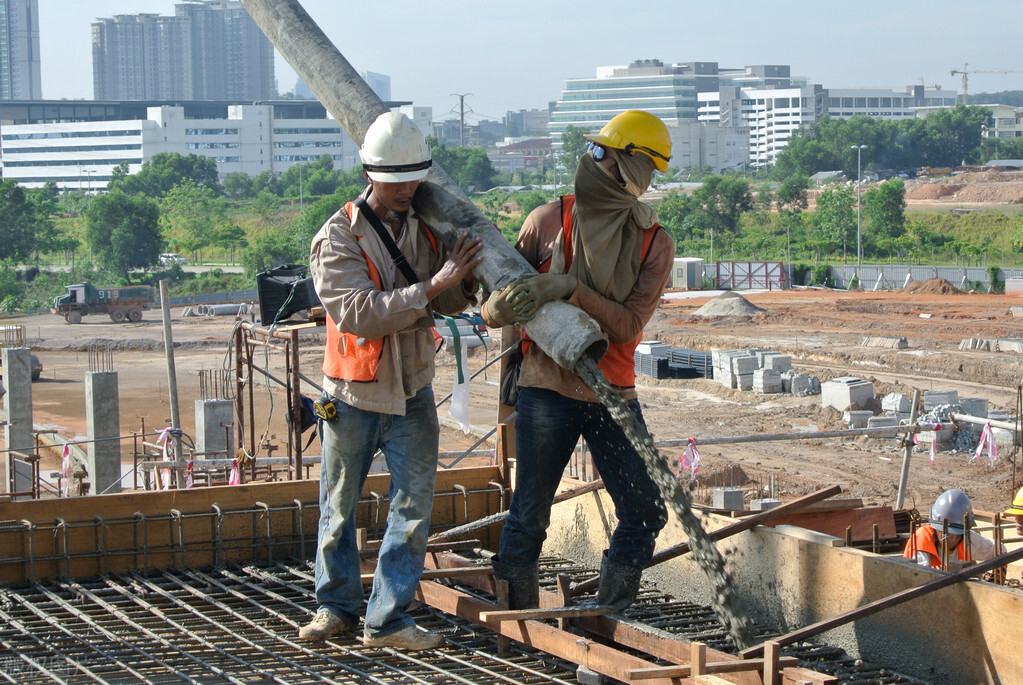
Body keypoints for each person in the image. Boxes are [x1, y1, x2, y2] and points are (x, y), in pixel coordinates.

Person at [301, 111, 482, 649]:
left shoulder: (423, 230)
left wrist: (463, 281)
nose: (406, 189)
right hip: (353, 394)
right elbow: (359, 311)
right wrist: (434, 286)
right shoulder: (336, 237)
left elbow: (442, 299)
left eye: (414, 178)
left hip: (412, 390)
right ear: (370, 173)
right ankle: (334, 607)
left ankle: (388, 621)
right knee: (338, 504)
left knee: (412, 506)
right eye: (395, 178)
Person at [480, 110, 674, 611]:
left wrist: (571, 288)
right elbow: (498, 296)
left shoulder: (653, 242)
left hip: (612, 392)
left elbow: (628, 325)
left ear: (633, 170)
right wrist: (494, 314)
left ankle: (609, 611)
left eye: (603, 156)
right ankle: (515, 615)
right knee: (529, 512)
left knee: (644, 509)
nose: (592, 163)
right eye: (593, 153)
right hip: (546, 389)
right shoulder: (548, 221)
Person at [903, 488, 1006, 568]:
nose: (946, 537)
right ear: (934, 527)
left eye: (952, 533)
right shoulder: (922, 540)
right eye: (942, 531)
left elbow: (1000, 549)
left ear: (961, 533)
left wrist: (993, 583)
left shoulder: (968, 540)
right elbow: (920, 577)